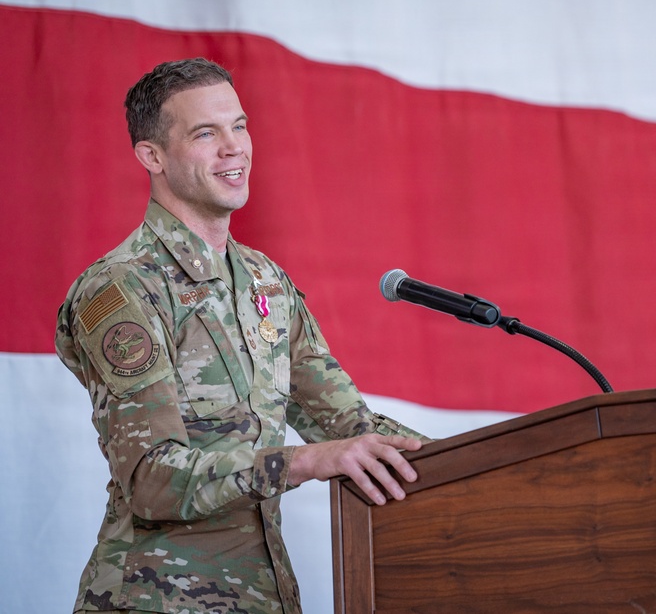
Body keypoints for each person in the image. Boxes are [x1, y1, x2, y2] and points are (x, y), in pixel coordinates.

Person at [55, 57, 426, 614]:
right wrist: (304, 461)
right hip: (155, 600)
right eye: (207, 133)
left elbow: (350, 427)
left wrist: (499, 464)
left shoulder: (263, 281)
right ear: (151, 155)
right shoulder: (123, 288)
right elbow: (153, 480)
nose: (235, 148)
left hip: (265, 597)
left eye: (240, 126)